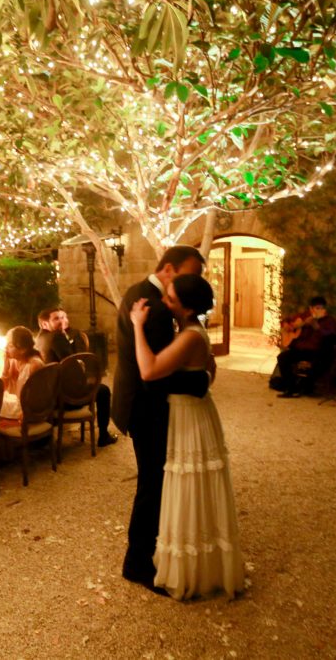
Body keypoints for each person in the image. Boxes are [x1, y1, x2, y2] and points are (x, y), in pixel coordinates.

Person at [129, 274, 246, 600]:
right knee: (187, 486)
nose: (164, 302)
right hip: (188, 413)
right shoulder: (190, 332)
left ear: (187, 306)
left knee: (190, 485)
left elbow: (149, 370)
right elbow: (208, 370)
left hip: (190, 419)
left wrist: (137, 325)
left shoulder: (191, 335)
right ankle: (194, 563)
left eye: (170, 299)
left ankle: (193, 569)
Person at [113, 244, 207, 590]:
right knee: (151, 485)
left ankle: (149, 551)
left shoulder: (154, 296)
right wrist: (199, 381)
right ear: (169, 269)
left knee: (156, 482)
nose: (194, 281)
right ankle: (137, 562)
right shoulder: (150, 302)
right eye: (190, 274)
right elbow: (152, 371)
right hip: (145, 405)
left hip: (147, 404)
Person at [36, 307, 118, 447]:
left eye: (63, 317)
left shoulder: (39, 338)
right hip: (65, 397)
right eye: (56, 319)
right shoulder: (57, 337)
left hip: (52, 394)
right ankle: (103, 436)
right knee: (103, 391)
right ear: (44, 324)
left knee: (97, 386)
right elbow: (74, 368)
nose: (62, 321)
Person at [275, 296, 336, 397]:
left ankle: (307, 387)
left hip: (318, 351)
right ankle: (291, 387)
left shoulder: (329, 321)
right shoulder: (304, 316)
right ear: (311, 309)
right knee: (282, 357)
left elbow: (331, 336)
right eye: (317, 308)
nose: (320, 310)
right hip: (300, 349)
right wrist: (287, 324)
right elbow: (285, 321)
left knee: (322, 362)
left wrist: (317, 327)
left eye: (322, 308)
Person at [0, 326, 45, 422]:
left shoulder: (33, 365)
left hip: (29, 409)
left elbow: (37, 397)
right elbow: (4, 388)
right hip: (20, 402)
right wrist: (6, 367)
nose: (5, 348)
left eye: (10, 346)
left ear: (22, 349)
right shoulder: (16, 360)